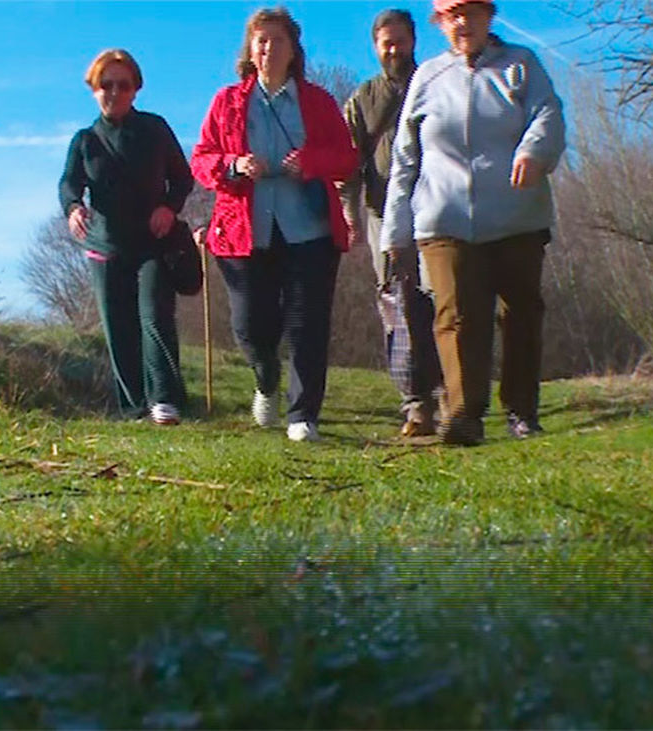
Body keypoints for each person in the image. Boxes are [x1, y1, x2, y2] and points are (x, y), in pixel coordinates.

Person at [380, 0, 565, 445]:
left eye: (473, 12)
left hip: (516, 215)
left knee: (520, 313)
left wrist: (533, 151)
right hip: (443, 218)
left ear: (489, 16)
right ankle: (464, 414)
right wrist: (396, 229)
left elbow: (549, 114)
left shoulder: (521, 65)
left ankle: (521, 410)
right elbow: (405, 160)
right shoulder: (427, 78)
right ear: (440, 23)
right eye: (453, 14)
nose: (464, 22)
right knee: (457, 316)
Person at [191, 7, 357, 442]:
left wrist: (312, 163)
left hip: (309, 229)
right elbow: (202, 159)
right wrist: (233, 164)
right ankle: (266, 380)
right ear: (250, 49)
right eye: (260, 40)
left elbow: (346, 157)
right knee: (252, 325)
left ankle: (303, 416)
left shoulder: (317, 101)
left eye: (277, 40)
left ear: (292, 49)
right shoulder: (227, 101)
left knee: (307, 323)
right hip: (245, 231)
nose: (268, 48)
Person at [59, 48, 194, 425]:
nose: (114, 92)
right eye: (105, 85)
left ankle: (164, 399)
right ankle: (132, 406)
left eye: (122, 85)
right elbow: (69, 184)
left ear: (136, 89)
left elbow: (183, 178)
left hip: (153, 243)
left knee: (154, 315)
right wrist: (73, 208)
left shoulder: (154, 129)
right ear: (93, 90)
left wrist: (168, 207)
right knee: (118, 327)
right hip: (106, 247)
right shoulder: (85, 141)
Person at [340, 8, 443, 438]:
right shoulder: (364, 98)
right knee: (397, 306)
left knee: (442, 301)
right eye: (386, 43)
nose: (394, 49)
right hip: (384, 213)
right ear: (376, 47)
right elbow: (349, 163)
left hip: (438, 208)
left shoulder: (437, 84)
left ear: (413, 40)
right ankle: (415, 403)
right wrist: (349, 213)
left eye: (400, 40)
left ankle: (449, 392)